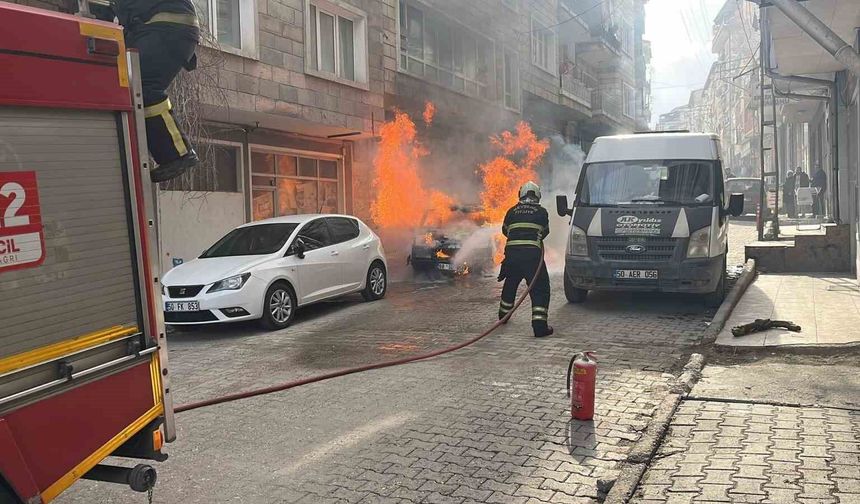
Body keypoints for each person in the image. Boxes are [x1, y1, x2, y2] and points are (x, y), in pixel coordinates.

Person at [97, 0, 200, 183]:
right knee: (140, 87)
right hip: (168, 28)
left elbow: (117, 12)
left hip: (164, 29)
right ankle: (173, 154)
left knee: (142, 86)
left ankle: (177, 155)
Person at [497, 182, 553, 338]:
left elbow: (505, 230)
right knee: (540, 289)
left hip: (512, 257)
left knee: (510, 285)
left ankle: (503, 316)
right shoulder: (542, 212)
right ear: (537, 195)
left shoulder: (511, 211)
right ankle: (539, 327)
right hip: (532, 258)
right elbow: (545, 232)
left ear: (520, 194)